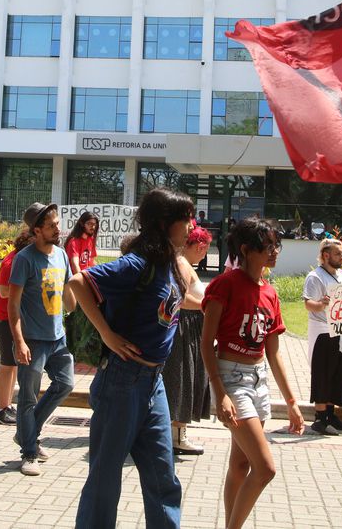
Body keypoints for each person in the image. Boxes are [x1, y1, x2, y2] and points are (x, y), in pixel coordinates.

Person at [67, 187, 195, 527]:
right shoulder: (138, 263)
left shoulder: (168, 264)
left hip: (154, 383)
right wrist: (107, 334)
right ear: (166, 223)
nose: (191, 227)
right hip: (122, 382)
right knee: (105, 480)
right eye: (185, 220)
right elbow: (79, 282)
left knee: (162, 477)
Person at [201, 217, 305, 529]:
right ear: (246, 250)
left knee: (241, 463)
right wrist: (219, 393)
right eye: (267, 246)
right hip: (230, 379)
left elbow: (273, 353)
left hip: (258, 380)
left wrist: (291, 401)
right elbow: (207, 343)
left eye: (276, 245)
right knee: (266, 469)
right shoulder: (225, 285)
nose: (275, 251)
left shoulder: (270, 293)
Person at [6, 201, 76, 476]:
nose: (58, 228)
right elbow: (13, 305)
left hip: (58, 338)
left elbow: (69, 292)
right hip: (32, 340)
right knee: (28, 397)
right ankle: (29, 451)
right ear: (37, 230)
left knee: (66, 383)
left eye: (57, 223)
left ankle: (27, 431)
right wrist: (19, 341)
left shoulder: (60, 255)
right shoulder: (24, 259)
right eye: (52, 225)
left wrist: (77, 304)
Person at [164, 224, 213, 454]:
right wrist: (206, 306)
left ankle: (178, 434)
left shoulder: (184, 263)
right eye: (202, 246)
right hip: (184, 327)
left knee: (186, 378)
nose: (204, 251)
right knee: (182, 379)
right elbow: (180, 298)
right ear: (190, 244)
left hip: (190, 327)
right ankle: (177, 436)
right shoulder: (182, 263)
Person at [303, 238, 342, 434]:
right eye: (338, 253)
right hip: (324, 330)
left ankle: (331, 414)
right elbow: (309, 304)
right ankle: (320, 417)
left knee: (339, 373)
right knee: (323, 373)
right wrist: (322, 303)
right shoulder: (315, 277)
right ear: (326, 255)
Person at [0, 226, 32, 425]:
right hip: (3, 319)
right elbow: (5, 291)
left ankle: (6, 405)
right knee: (7, 364)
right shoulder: (12, 261)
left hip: (12, 318)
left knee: (13, 364)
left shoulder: (21, 259)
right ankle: (0, 409)